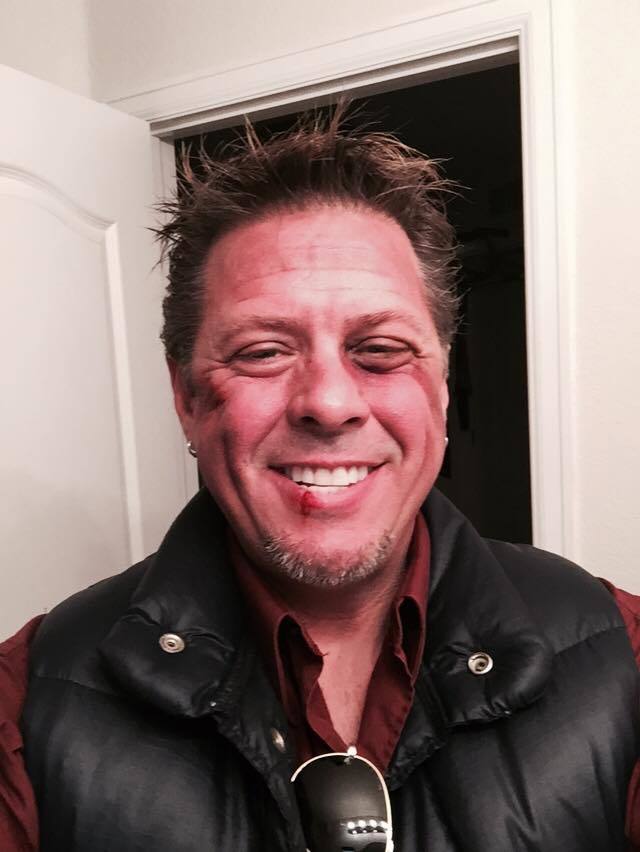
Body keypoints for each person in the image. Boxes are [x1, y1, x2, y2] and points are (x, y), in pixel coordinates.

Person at [2, 107, 640, 851]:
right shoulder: (27, 701)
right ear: (186, 398)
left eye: (381, 348)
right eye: (263, 352)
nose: (330, 404)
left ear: (441, 387)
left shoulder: (619, 655)